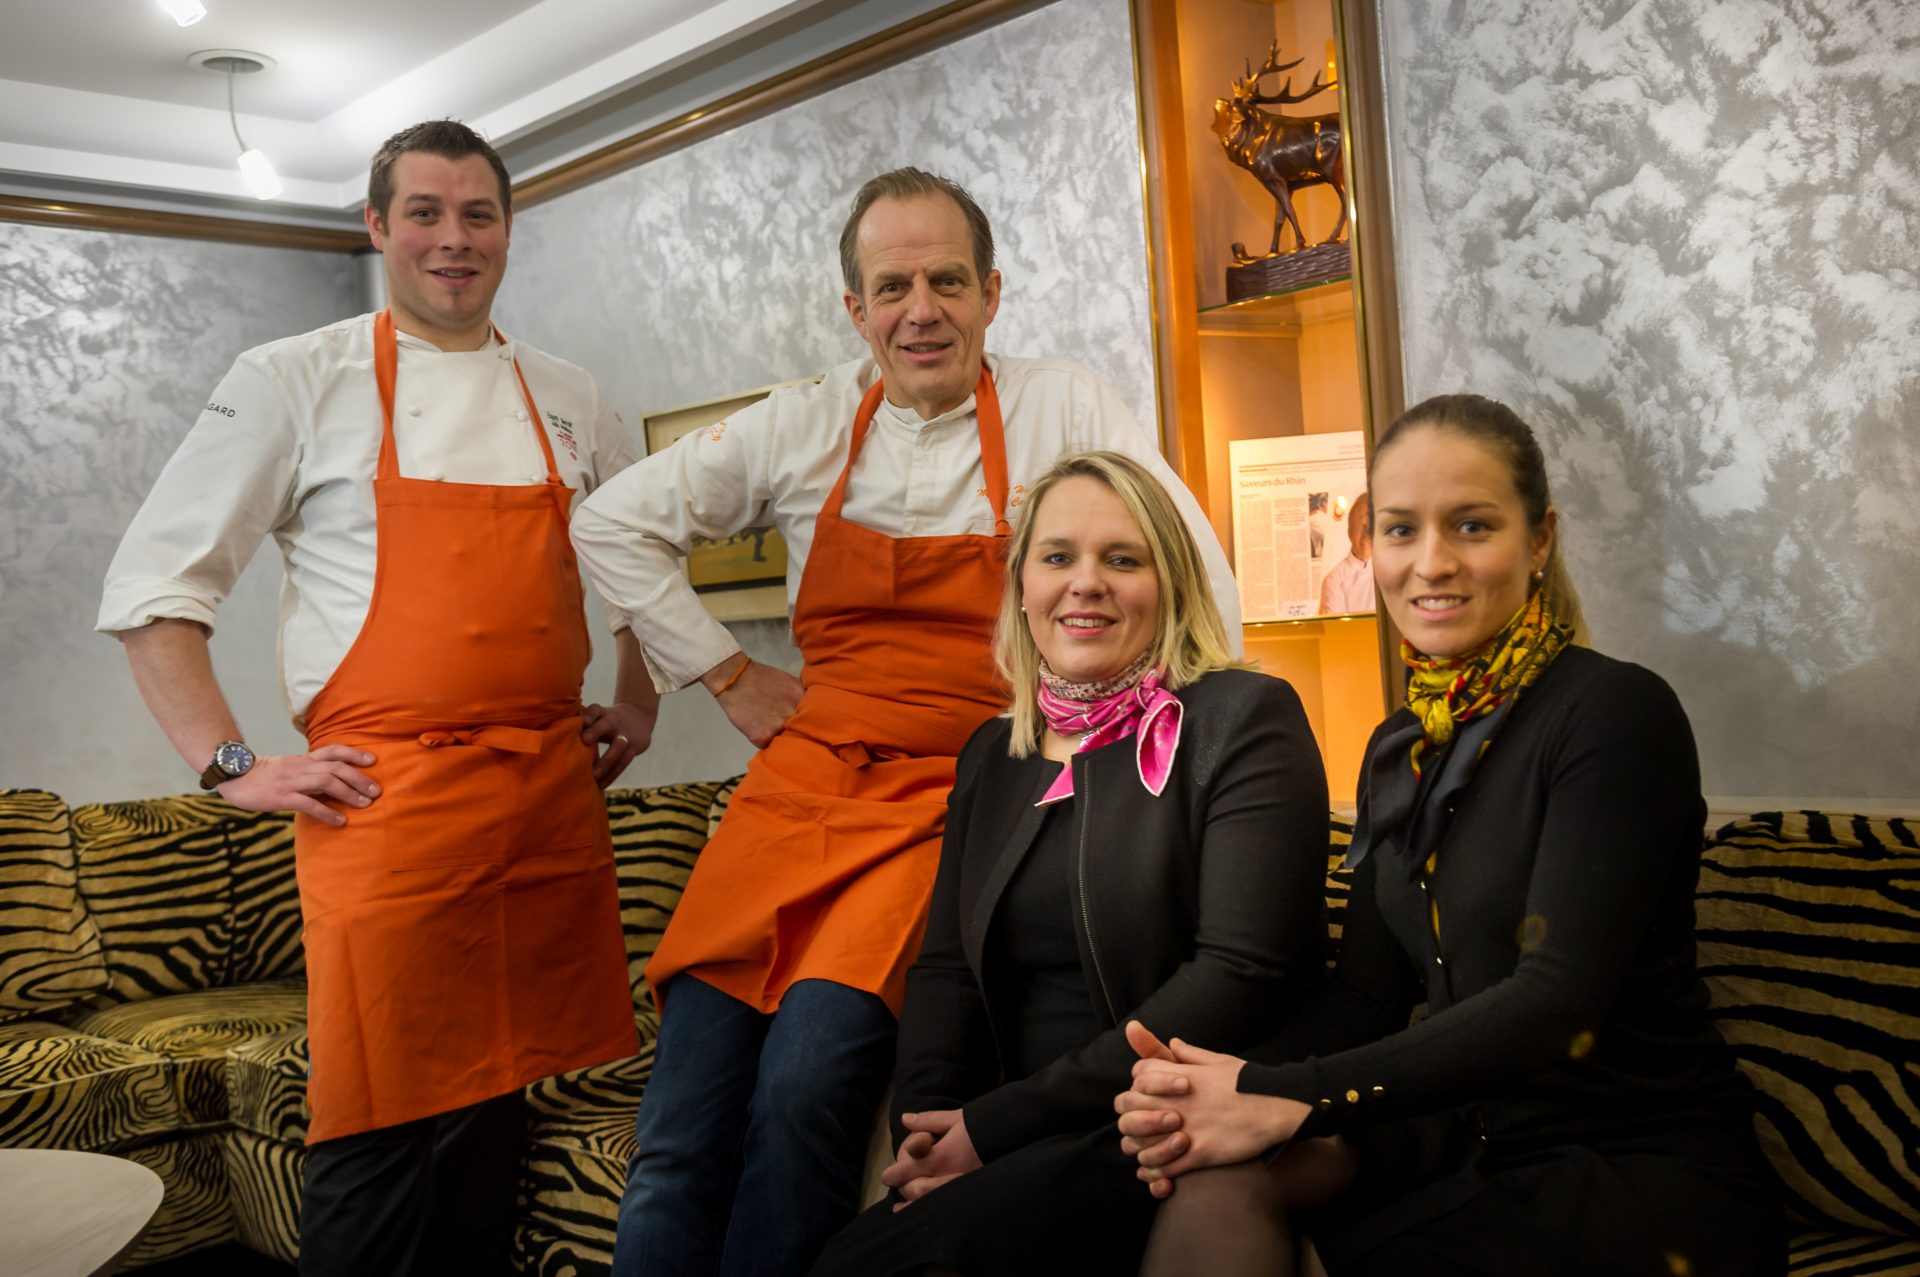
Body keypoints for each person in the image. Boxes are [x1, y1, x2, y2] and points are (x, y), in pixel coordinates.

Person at [568, 168, 1240, 1277]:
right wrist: (728, 673)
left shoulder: (1065, 406)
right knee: (680, 1123)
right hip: (795, 789)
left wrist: (1196, 769)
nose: (919, 310)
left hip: (954, 794)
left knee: (805, 1089)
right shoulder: (804, 420)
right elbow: (608, 522)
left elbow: (1195, 580)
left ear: (992, 293)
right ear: (855, 309)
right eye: (892, 287)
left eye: (947, 282)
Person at [97, 120, 653, 1277]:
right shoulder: (294, 378)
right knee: (378, 1116)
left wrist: (638, 699)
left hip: (545, 797)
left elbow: (637, 558)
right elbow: (154, 589)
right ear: (376, 226)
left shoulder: (569, 393)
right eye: (425, 213)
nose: (454, 239)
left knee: (498, 1107)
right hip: (383, 803)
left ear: (507, 228)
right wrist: (232, 765)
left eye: (478, 214)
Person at [1113, 393, 1786, 1277]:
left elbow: (1554, 998)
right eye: (1400, 530)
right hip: (1467, 1139)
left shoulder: (1616, 712)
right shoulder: (1401, 742)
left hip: (1635, 1171)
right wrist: (1202, 1084)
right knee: (1211, 1181)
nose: (1431, 562)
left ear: (1539, 539)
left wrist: (1284, 1094)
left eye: (1472, 525)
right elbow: (1365, 997)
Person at [809, 451, 1329, 1276]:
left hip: (1165, 1117)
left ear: (1170, 583)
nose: (1086, 583)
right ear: (1023, 586)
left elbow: (1240, 975)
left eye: (1121, 558)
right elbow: (946, 968)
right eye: (1058, 557)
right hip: (1019, 1132)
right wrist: (927, 1130)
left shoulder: (1245, 718)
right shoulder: (993, 752)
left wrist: (993, 1129)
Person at [1316, 491, 1373, 615]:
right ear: (1349, 533)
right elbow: (1333, 626)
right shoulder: (1334, 580)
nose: (1366, 534)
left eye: (1370, 526)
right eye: (1361, 526)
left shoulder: (1389, 574)